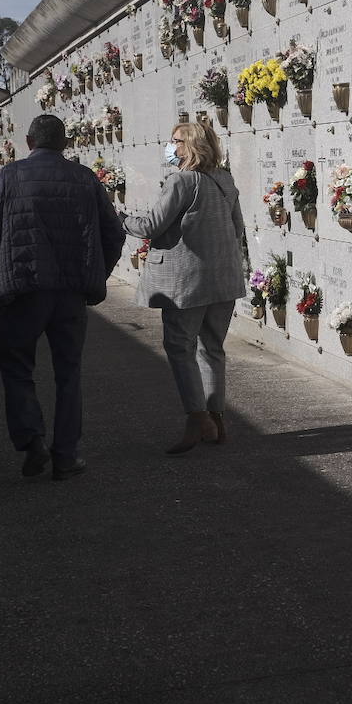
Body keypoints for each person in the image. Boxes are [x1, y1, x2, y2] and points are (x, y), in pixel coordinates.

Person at [0, 114, 124, 480]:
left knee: (16, 366)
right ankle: (66, 454)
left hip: (22, 289)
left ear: (29, 142)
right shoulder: (85, 178)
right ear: (65, 144)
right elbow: (114, 233)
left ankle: (32, 440)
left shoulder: (9, 176)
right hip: (69, 294)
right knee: (69, 372)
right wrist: (96, 274)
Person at [122, 121, 246, 454]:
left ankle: (197, 417)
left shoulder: (181, 181)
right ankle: (216, 419)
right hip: (223, 281)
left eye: (175, 141)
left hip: (186, 285)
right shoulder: (225, 180)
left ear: (190, 146)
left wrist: (119, 217)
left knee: (180, 347)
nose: (170, 146)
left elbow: (150, 225)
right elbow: (237, 230)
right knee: (212, 349)